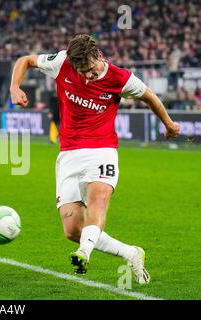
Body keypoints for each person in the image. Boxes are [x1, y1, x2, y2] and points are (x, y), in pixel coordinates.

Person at [10, 34, 180, 284]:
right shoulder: (61, 62)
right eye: (81, 72)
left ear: (99, 56)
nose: (87, 76)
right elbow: (25, 60)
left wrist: (169, 124)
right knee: (72, 230)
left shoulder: (120, 78)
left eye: (90, 70)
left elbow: (150, 97)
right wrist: (15, 87)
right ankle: (130, 253)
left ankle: (83, 253)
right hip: (68, 154)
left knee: (97, 202)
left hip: (102, 150)